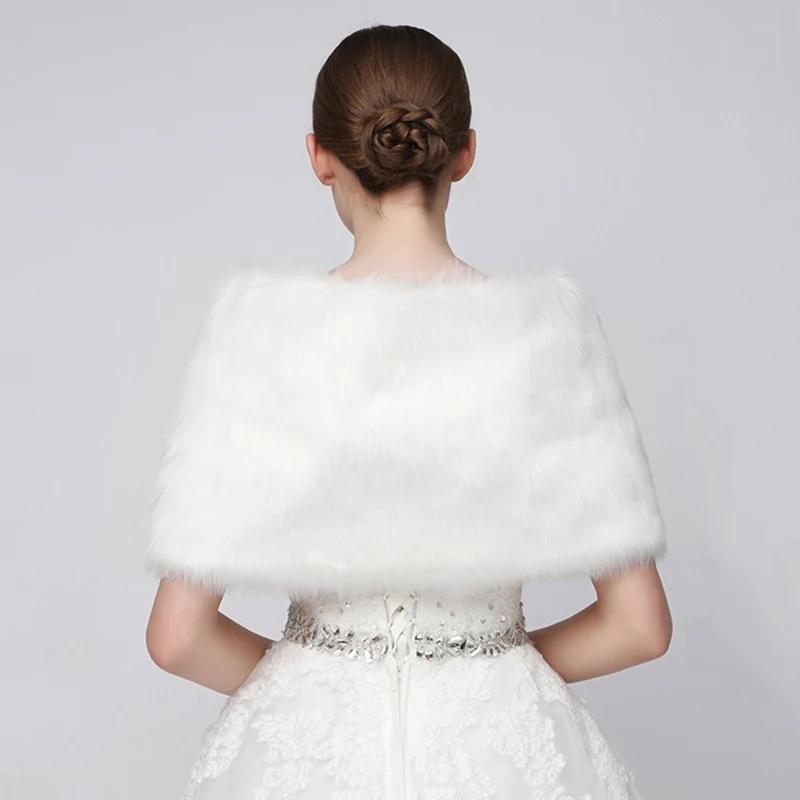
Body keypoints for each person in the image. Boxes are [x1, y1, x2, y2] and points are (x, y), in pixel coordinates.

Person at [144, 23, 671, 800]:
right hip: (498, 753)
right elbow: (639, 626)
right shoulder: (546, 335)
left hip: (312, 758)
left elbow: (177, 637)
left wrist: (314, 687)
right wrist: (492, 676)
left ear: (319, 156)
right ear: (464, 152)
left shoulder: (261, 339)